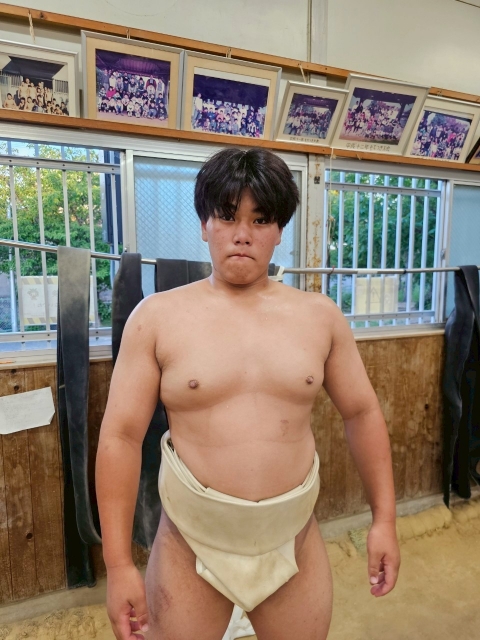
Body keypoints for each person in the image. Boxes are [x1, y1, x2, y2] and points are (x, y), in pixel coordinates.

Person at [96, 147, 400, 640]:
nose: (242, 234)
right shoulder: (156, 318)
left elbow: (362, 413)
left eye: (260, 220)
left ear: (279, 230)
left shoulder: (320, 317)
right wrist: (117, 565)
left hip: (291, 537)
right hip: (190, 540)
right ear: (204, 224)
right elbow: (121, 437)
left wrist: (384, 519)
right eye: (227, 216)